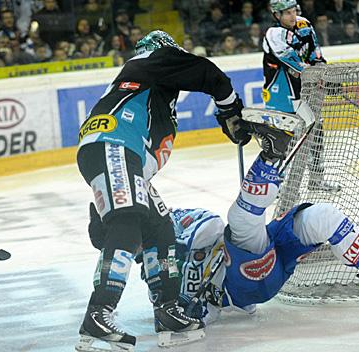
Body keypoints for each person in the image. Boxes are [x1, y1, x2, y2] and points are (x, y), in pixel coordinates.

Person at [87, 120, 359, 338]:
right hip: (245, 283)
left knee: (323, 216)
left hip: (261, 254)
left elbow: (208, 229)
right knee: (240, 221)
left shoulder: (166, 223)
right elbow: (186, 314)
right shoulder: (155, 266)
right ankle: (271, 156)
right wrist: (198, 300)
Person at [74, 30, 251, 352]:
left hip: (123, 157)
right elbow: (209, 74)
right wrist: (230, 109)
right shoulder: (149, 59)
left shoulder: (150, 85)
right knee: (129, 221)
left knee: (159, 229)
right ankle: (98, 313)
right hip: (114, 148)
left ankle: (168, 308)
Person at [262, 0, 341, 193]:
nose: (292, 16)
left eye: (293, 11)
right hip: (281, 93)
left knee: (316, 130)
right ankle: (277, 184)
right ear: (276, 16)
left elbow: (315, 52)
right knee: (282, 138)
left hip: (305, 89)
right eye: (286, 13)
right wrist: (316, 74)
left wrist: (323, 71)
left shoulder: (304, 24)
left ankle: (316, 179)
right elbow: (290, 59)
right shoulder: (274, 34)